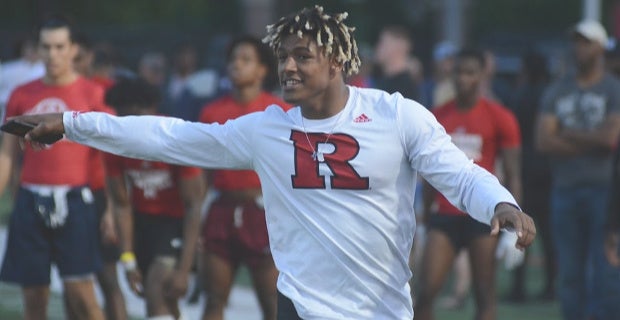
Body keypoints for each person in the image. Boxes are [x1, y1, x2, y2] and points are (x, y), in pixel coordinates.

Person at [16, 6, 536, 320]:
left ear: (336, 62)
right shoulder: (268, 128)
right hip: (301, 307)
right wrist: (73, 124)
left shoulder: (396, 115)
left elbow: (458, 172)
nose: (287, 65)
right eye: (283, 55)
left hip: (380, 309)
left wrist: (501, 202)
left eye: (302, 55)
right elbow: (170, 136)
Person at [0, 14, 105, 320]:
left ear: (73, 49)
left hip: (76, 199)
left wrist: (109, 207)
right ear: (38, 49)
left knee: (83, 296)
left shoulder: (92, 94)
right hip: (30, 200)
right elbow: (7, 155)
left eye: (60, 46)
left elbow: (105, 157)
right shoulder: (21, 95)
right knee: (34, 299)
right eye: (46, 47)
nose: (53, 54)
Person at [414, 48, 523, 320]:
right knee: (424, 292)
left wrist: (514, 221)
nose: (463, 79)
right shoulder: (437, 115)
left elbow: (513, 174)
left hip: (484, 216)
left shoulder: (500, 116)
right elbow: (430, 171)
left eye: (470, 73)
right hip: (445, 214)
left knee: (484, 293)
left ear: (483, 75)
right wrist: (426, 216)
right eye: (458, 72)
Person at [198, 34, 290, 320]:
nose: (236, 65)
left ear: (262, 69)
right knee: (213, 299)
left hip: (262, 212)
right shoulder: (212, 111)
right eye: (233, 59)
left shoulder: (280, 112)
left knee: (271, 302)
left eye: (245, 59)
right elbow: (202, 172)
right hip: (222, 208)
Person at [536, 20, 620, 320]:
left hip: (605, 191)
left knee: (606, 271)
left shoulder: (613, 88)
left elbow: (610, 139)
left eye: (586, 42)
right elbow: (543, 140)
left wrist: (567, 132)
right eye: (576, 42)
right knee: (570, 272)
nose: (579, 49)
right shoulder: (558, 89)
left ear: (600, 47)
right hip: (566, 189)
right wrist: (591, 138)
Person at [103, 78, 206, 320]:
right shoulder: (117, 145)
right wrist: (127, 260)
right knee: (162, 301)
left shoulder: (175, 140)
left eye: (129, 117)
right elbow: (121, 204)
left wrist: (184, 268)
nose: (124, 124)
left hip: (175, 224)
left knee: (157, 289)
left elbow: (194, 205)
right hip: (143, 223)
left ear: (147, 112)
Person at [73, 32, 129, 320]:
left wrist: (110, 207)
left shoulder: (101, 91)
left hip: (98, 191)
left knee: (108, 278)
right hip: (69, 193)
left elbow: (113, 150)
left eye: (78, 57)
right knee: (74, 281)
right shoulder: (61, 92)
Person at [505, 51, 555, 303]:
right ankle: (551, 286)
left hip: (524, 168)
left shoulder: (520, 95)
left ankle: (518, 286)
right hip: (546, 170)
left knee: (520, 229)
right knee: (547, 231)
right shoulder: (548, 94)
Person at [372, 25, 420, 100]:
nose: (377, 47)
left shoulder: (406, 89)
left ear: (398, 48)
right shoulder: (382, 82)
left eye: (383, 43)